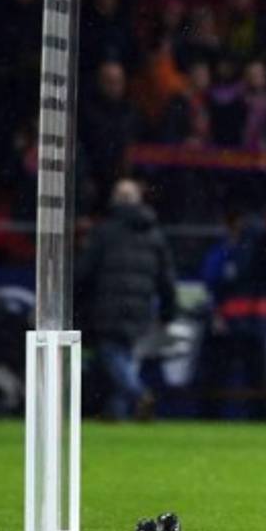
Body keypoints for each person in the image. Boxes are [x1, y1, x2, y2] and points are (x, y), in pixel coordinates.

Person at [76, 179, 176, 420]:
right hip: (140, 307)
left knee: (111, 354)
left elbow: (83, 272)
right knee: (125, 355)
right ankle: (115, 413)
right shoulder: (154, 234)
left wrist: (77, 297)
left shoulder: (104, 232)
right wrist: (168, 311)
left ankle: (138, 393)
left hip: (108, 305)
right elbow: (167, 278)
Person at [198, 211, 266, 419]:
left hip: (255, 323)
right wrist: (215, 314)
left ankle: (260, 420)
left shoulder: (265, 254)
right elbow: (209, 279)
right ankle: (209, 419)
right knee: (215, 379)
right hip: (227, 323)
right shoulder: (224, 251)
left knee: (258, 381)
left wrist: (265, 257)